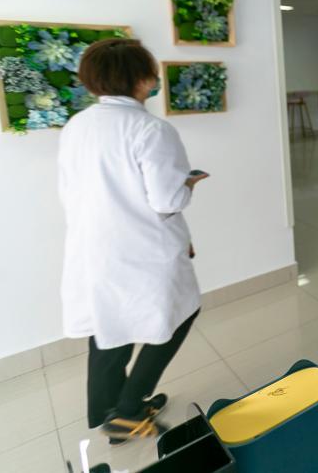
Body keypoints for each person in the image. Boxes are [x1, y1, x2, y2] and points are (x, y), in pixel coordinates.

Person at [58, 39, 207, 444]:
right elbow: (166, 200)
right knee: (181, 314)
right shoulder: (151, 129)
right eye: (151, 74)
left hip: (92, 247)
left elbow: (72, 191)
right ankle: (126, 410)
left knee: (109, 327)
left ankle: (107, 412)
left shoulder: (76, 126)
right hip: (144, 248)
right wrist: (188, 184)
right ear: (141, 80)